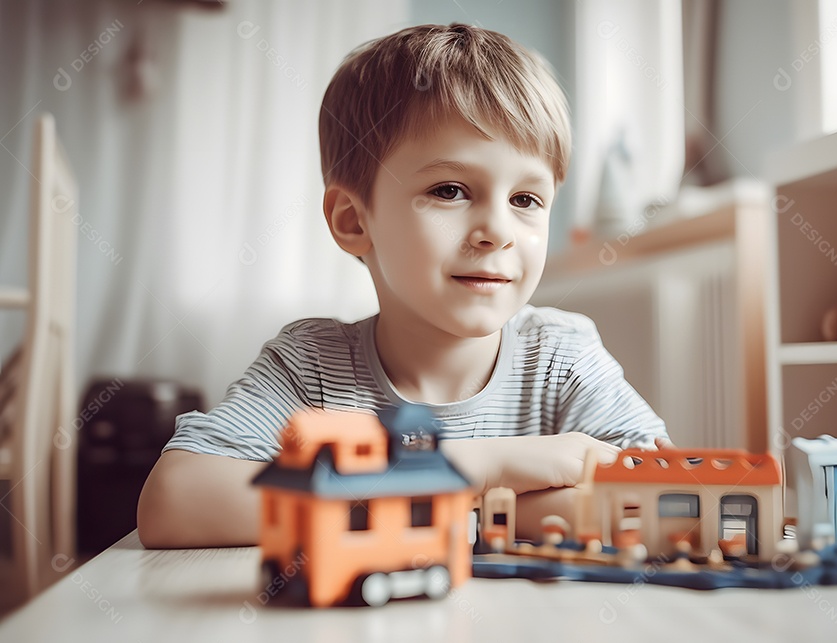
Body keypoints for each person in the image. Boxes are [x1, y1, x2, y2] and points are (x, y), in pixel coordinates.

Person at [137, 23, 669, 549]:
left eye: (526, 200)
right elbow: (176, 501)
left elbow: (663, 500)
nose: (498, 233)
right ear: (353, 220)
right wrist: (479, 469)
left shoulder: (563, 357)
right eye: (451, 190)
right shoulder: (310, 367)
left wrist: (419, 501)